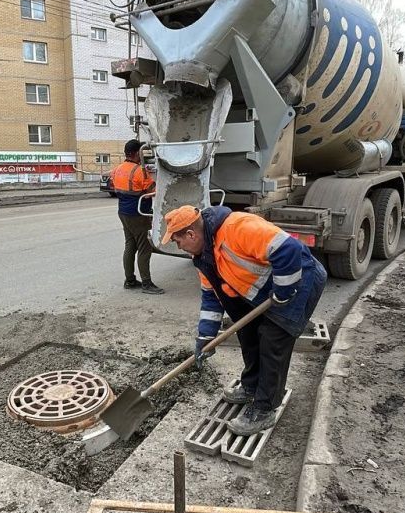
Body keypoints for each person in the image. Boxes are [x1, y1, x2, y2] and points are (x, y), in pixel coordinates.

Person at [162, 205, 326, 436]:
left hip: (297, 282)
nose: (178, 246)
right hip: (266, 292)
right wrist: (205, 337)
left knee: (272, 340)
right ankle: (251, 387)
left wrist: (284, 290)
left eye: (177, 241)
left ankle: (264, 408)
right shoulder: (203, 257)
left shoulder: (237, 227)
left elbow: (287, 249)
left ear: (191, 234)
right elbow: (211, 298)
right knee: (248, 334)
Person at [110, 139, 164, 294]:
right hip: (139, 214)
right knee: (144, 248)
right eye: (141, 153)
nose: (142, 156)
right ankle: (147, 284)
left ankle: (130, 280)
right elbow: (151, 191)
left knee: (130, 245)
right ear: (134, 153)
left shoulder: (118, 169)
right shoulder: (140, 171)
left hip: (124, 212)